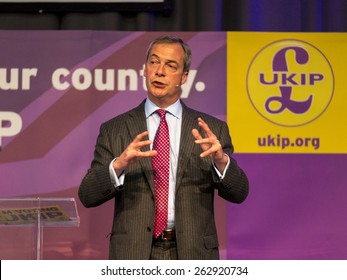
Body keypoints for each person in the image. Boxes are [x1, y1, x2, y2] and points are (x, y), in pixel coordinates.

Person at [78, 35, 249, 260]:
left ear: (184, 77)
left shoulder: (211, 130)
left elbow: (239, 193)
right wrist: (118, 165)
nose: (159, 71)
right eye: (154, 62)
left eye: (171, 66)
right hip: (133, 254)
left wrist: (221, 162)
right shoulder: (115, 129)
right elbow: (88, 195)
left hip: (193, 253)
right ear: (145, 69)